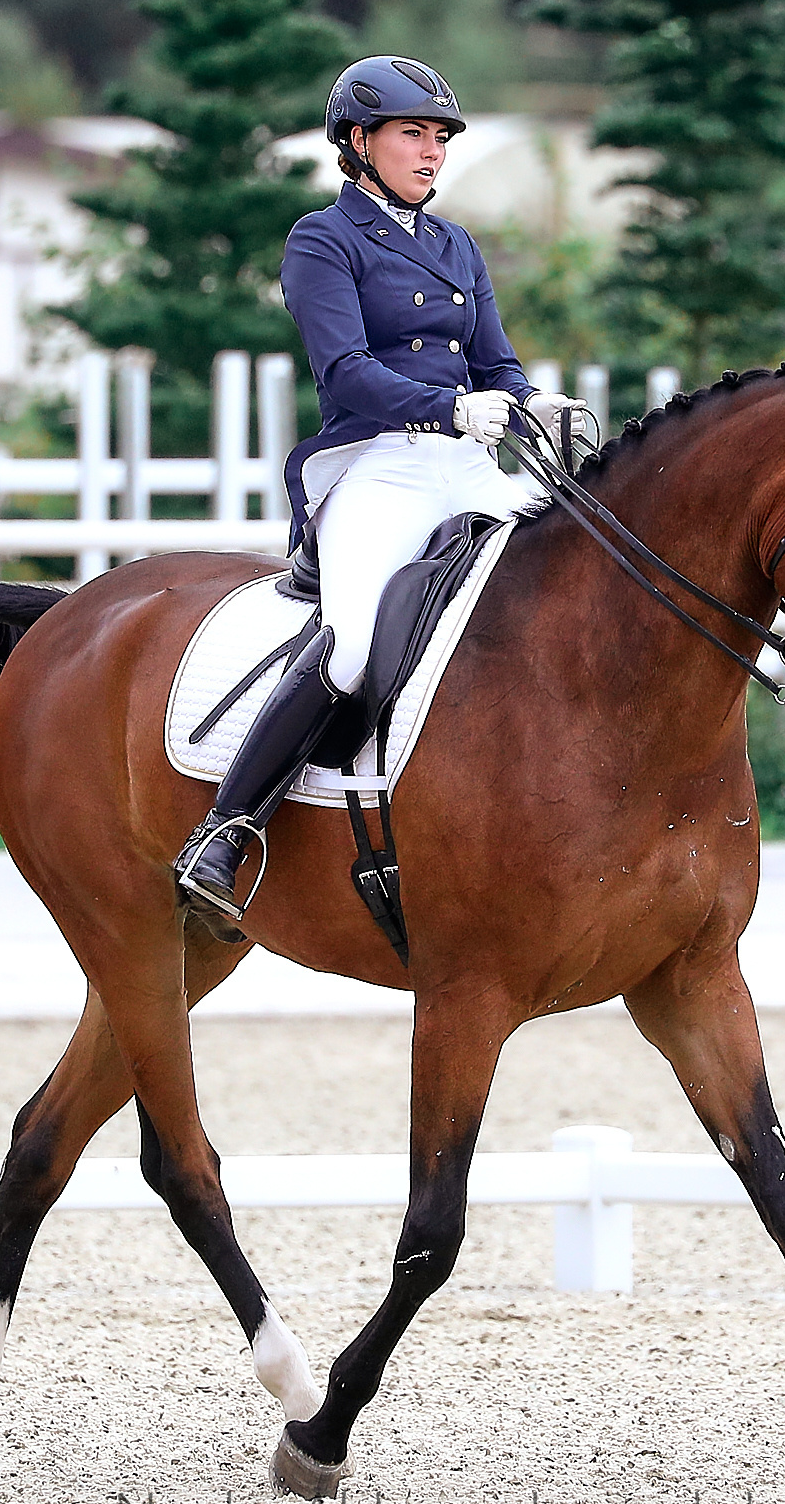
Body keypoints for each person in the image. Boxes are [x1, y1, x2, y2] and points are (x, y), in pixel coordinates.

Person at [174, 54, 585, 923]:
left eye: (439, 137)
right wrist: (453, 408)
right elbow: (349, 374)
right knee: (356, 644)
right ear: (358, 143)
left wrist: (533, 403)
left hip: (470, 462)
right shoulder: (323, 239)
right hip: (379, 463)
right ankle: (228, 827)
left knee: (562, 595)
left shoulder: (456, 244)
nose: (432, 152)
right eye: (412, 134)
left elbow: (497, 364)